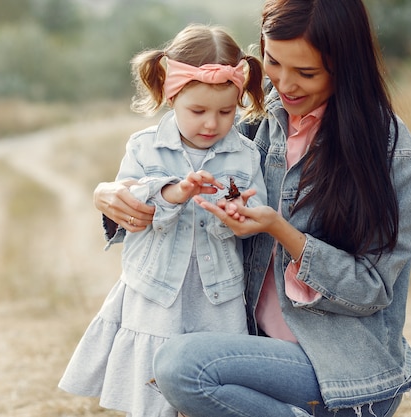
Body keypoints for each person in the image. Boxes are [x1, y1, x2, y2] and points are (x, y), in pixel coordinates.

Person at [93, 0, 411, 416]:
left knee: (182, 366)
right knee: (171, 368)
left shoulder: (390, 153)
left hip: (340, 371)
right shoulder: (251, 119)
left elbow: (373, 289)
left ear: (346, 66)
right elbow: (170, 169)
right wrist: (108, 194)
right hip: (253, 353)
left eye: (306, 73)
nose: (285, 85)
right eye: (273, 62)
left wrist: (280, 230)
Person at [58, 24, 268, 417]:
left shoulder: (245, 154)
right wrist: (174, 192)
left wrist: (236, 212)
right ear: (172, 97)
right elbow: (129, 202)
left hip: (216, 294)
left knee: (210, 383)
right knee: (153, 393)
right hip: (156, 292)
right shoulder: (143, 146)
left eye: (225, 112)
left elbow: (256, 210)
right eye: (198, 111)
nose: (211, 124)